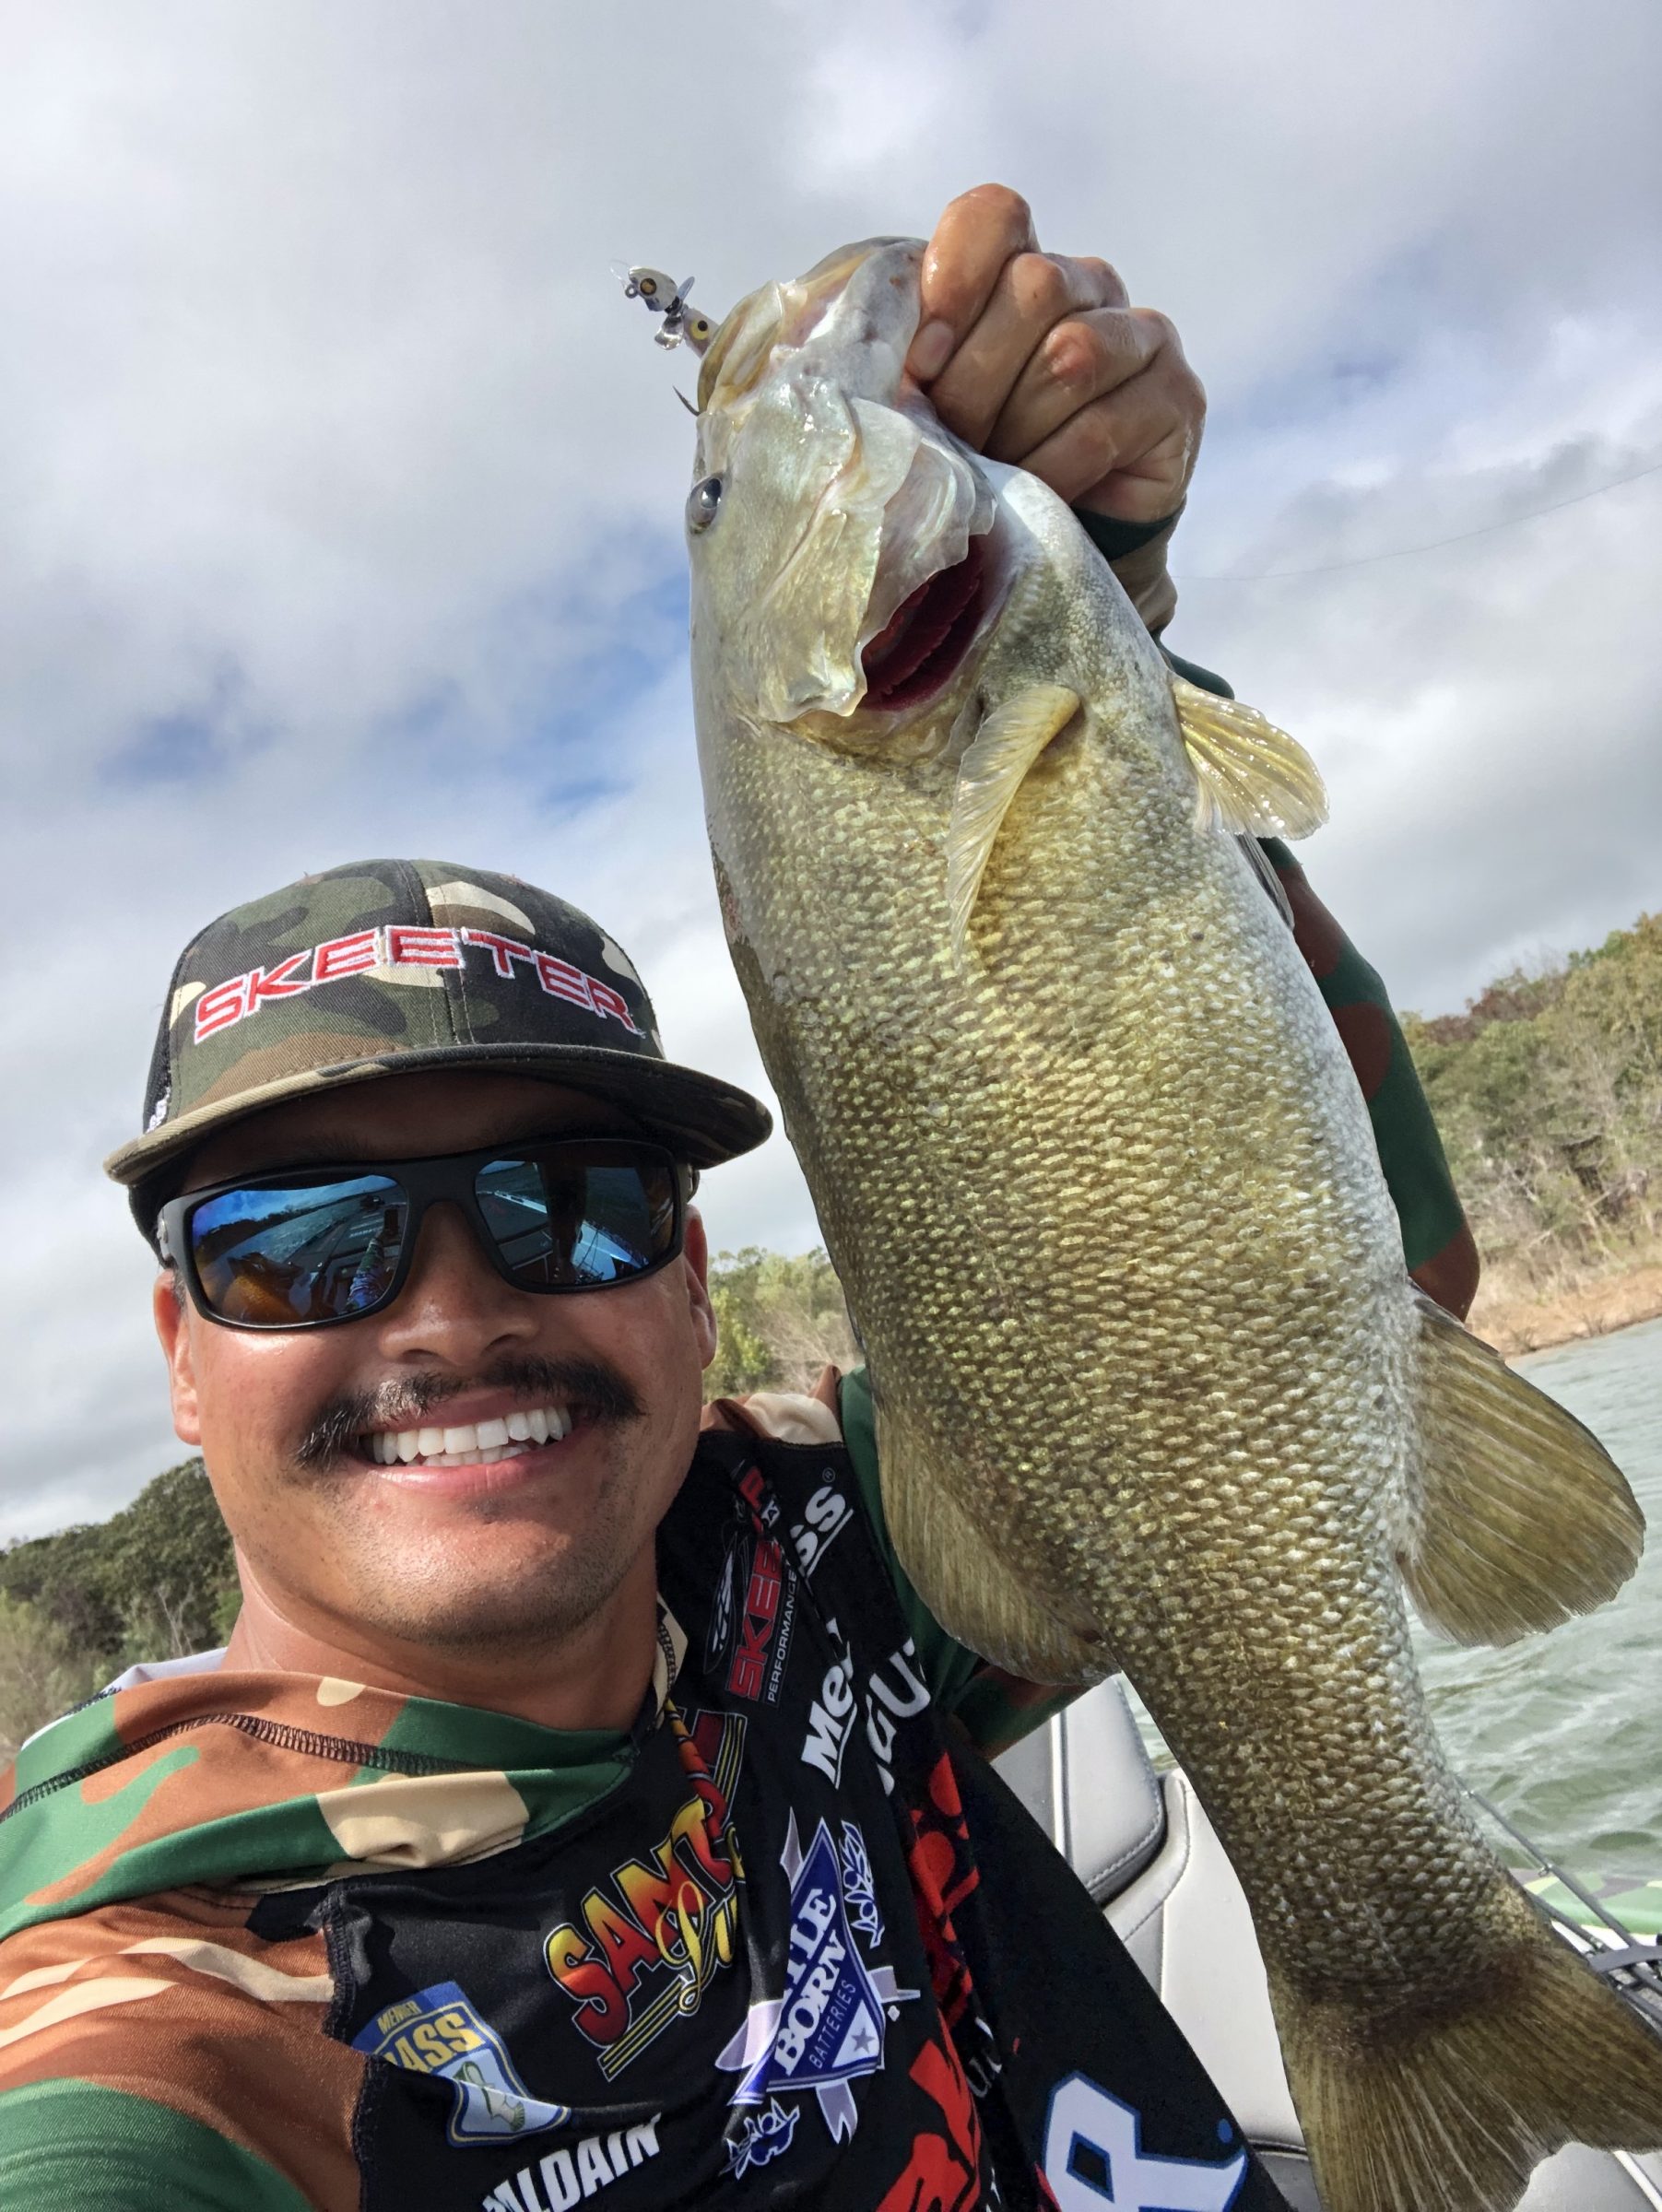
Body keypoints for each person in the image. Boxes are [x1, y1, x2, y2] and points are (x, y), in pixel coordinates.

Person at [0, 186, 1472, 2210]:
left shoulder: (823, 1561)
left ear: (688, 1281)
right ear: (182, 1353)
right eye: (297, 1243)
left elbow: (1381, 1287)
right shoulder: (155, 1994)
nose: (445, 1312)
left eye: (573, 1200)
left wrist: (1099, 629)